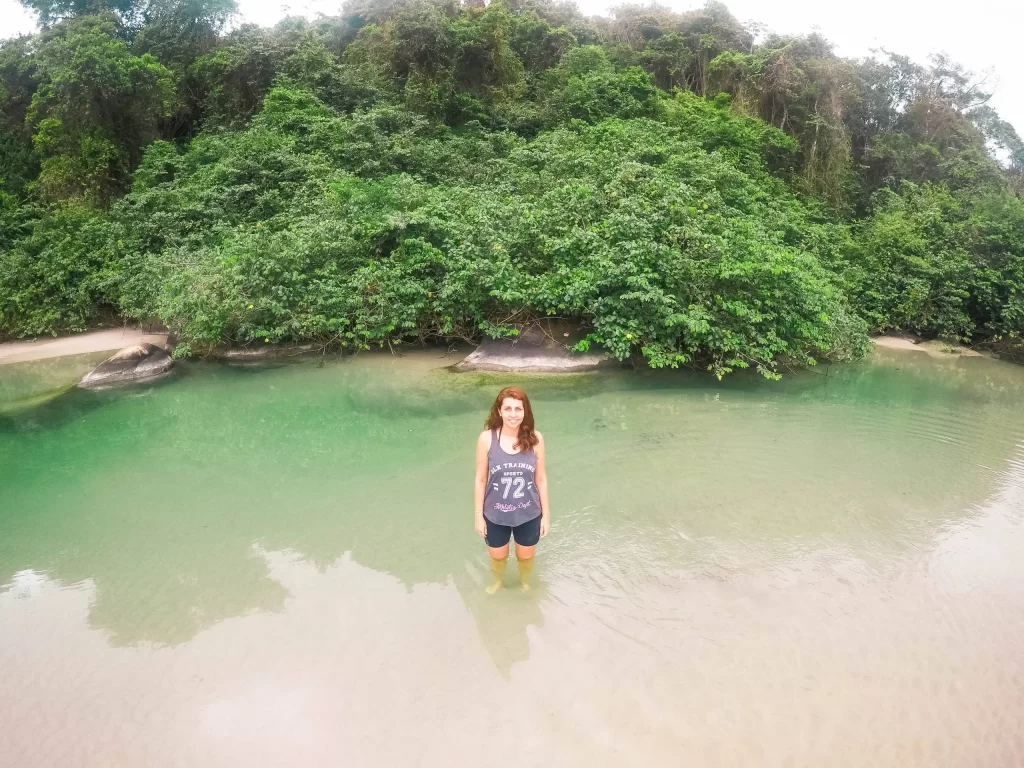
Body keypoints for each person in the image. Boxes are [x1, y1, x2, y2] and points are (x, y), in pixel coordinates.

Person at [474, 386, 550, 592]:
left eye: (518, 409)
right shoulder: (487, 439)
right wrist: (478, 516)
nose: (513, 414)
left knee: (525, 557)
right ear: (499, 411)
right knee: (498, 557)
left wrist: (546, 515)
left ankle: (525, 582)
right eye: (508, 409)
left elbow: (541, 479)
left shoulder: (536, 439)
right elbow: (480, 479)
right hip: (495, 514)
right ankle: (498, 581)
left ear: (525, 412)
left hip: (529, 513)